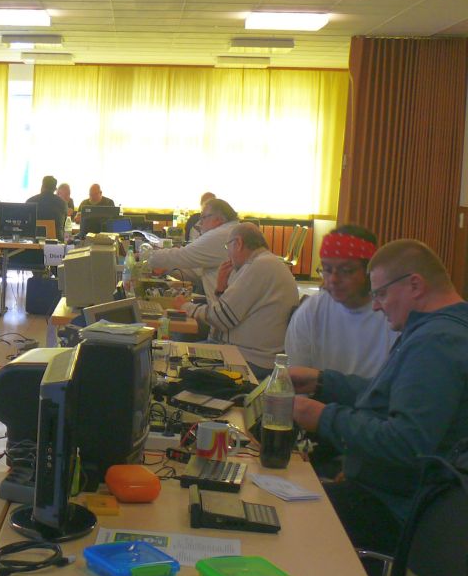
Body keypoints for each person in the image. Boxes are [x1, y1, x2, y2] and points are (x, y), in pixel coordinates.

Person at [290, 239, 468, 555]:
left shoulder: (436, 342)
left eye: (381, 294)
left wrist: (323, 417)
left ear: (415, 285)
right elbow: (392, 396)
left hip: (398, 512)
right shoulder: (440, 329)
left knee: (284, 516)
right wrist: (322, 382)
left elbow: (406, 443)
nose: (376, 306)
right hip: (392, 494)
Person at [172, 223, 299, 377]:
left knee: (173, 359)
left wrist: (185, 306)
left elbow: (221, 318)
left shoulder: (259, 266)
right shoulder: (263, 262)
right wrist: (221, 289)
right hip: (246, 354)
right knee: (176, 351)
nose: (228, 255)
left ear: (238, 243)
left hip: (249, 359)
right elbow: (230, 313)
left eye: (228, 247)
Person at [285, 226, 396, 377]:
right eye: (327, 269)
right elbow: (296, 374)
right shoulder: (311, 311)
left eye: (346, 271)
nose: (333, 279)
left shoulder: (392, 315)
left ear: (369, 271)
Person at [146, 197, 239, 302]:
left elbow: (181, 256)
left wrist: (144, 255)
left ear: (218, 219)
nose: (199, 223)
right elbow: (198, 274)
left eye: (203, 218)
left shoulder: (220, 235)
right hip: (224, 304)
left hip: (223, 307)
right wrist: (167, 269)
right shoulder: (230, 230)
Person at [26, 175, 68, 239]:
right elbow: (63, 226)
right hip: (57, 242)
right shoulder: (62, 203)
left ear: (42, 186)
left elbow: (26, 225)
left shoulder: (30, 201)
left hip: (33, 241)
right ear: (55, 189)